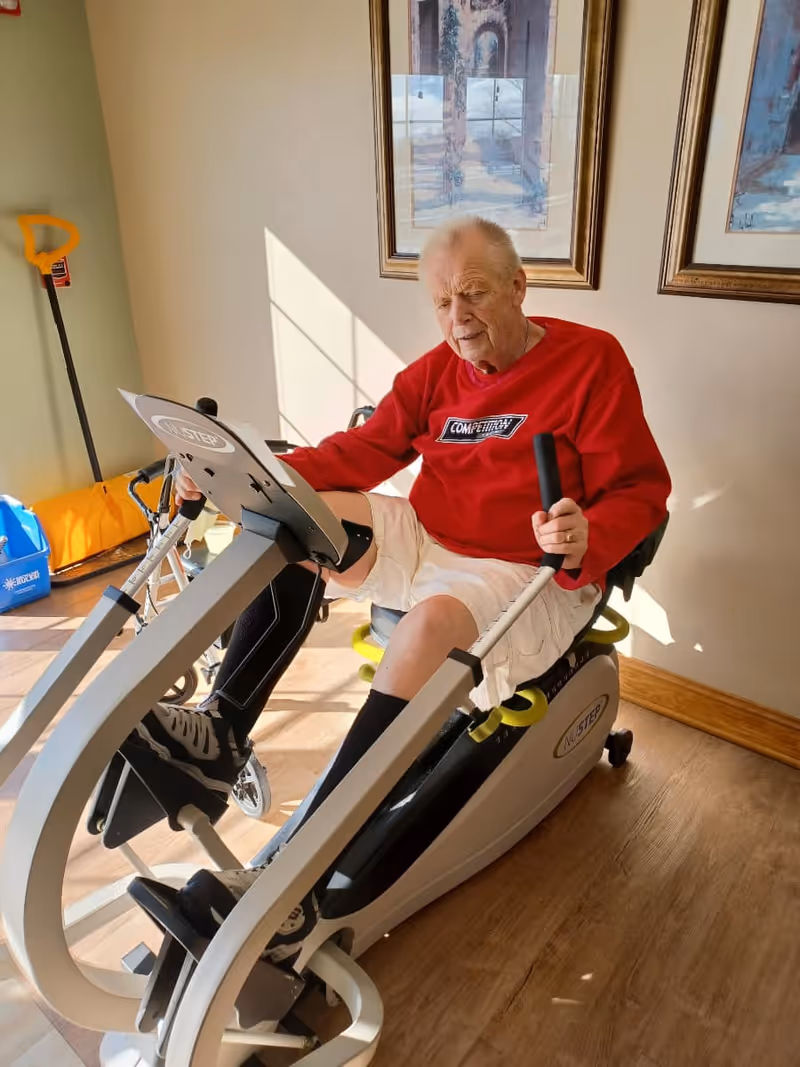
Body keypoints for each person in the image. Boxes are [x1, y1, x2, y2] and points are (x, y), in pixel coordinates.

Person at [127, 216, 670, 962]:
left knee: (424, 627)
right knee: (283, 521)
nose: (458, 317)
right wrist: (254, 472)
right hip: (430, 534)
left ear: (520, 286)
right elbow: (364, 448)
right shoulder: (434, 374)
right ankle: (221, 732)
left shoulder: (591, 362)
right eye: (443, 301)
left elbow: (642, 490)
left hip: (530, 567)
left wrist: (588, 534)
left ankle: (294, 872)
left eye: (475, 293)